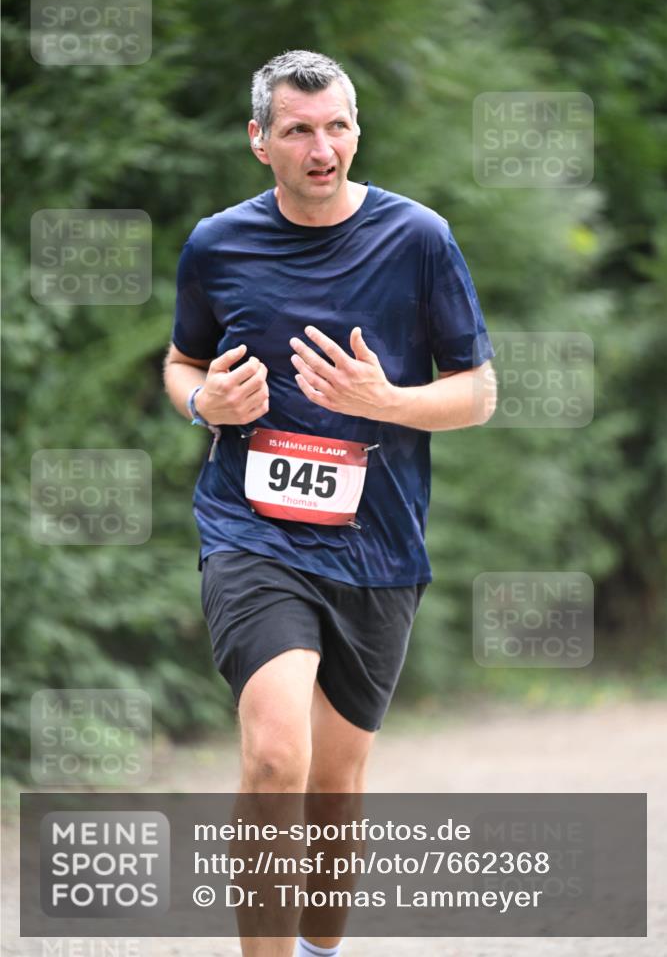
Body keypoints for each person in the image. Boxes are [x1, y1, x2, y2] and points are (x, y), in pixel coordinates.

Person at [163, 49, 496, 957]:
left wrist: (383, 402)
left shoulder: (417, 238)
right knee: (276, 757)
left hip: (377, 543)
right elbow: (182, 359)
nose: (322, 148)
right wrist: (202, 402)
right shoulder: (217, 243)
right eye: (300, 130)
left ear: (356, 131)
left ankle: (319, 949)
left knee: (335, 788)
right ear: (259, 140)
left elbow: (476, 392)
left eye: (337, 126)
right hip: (251, 529)